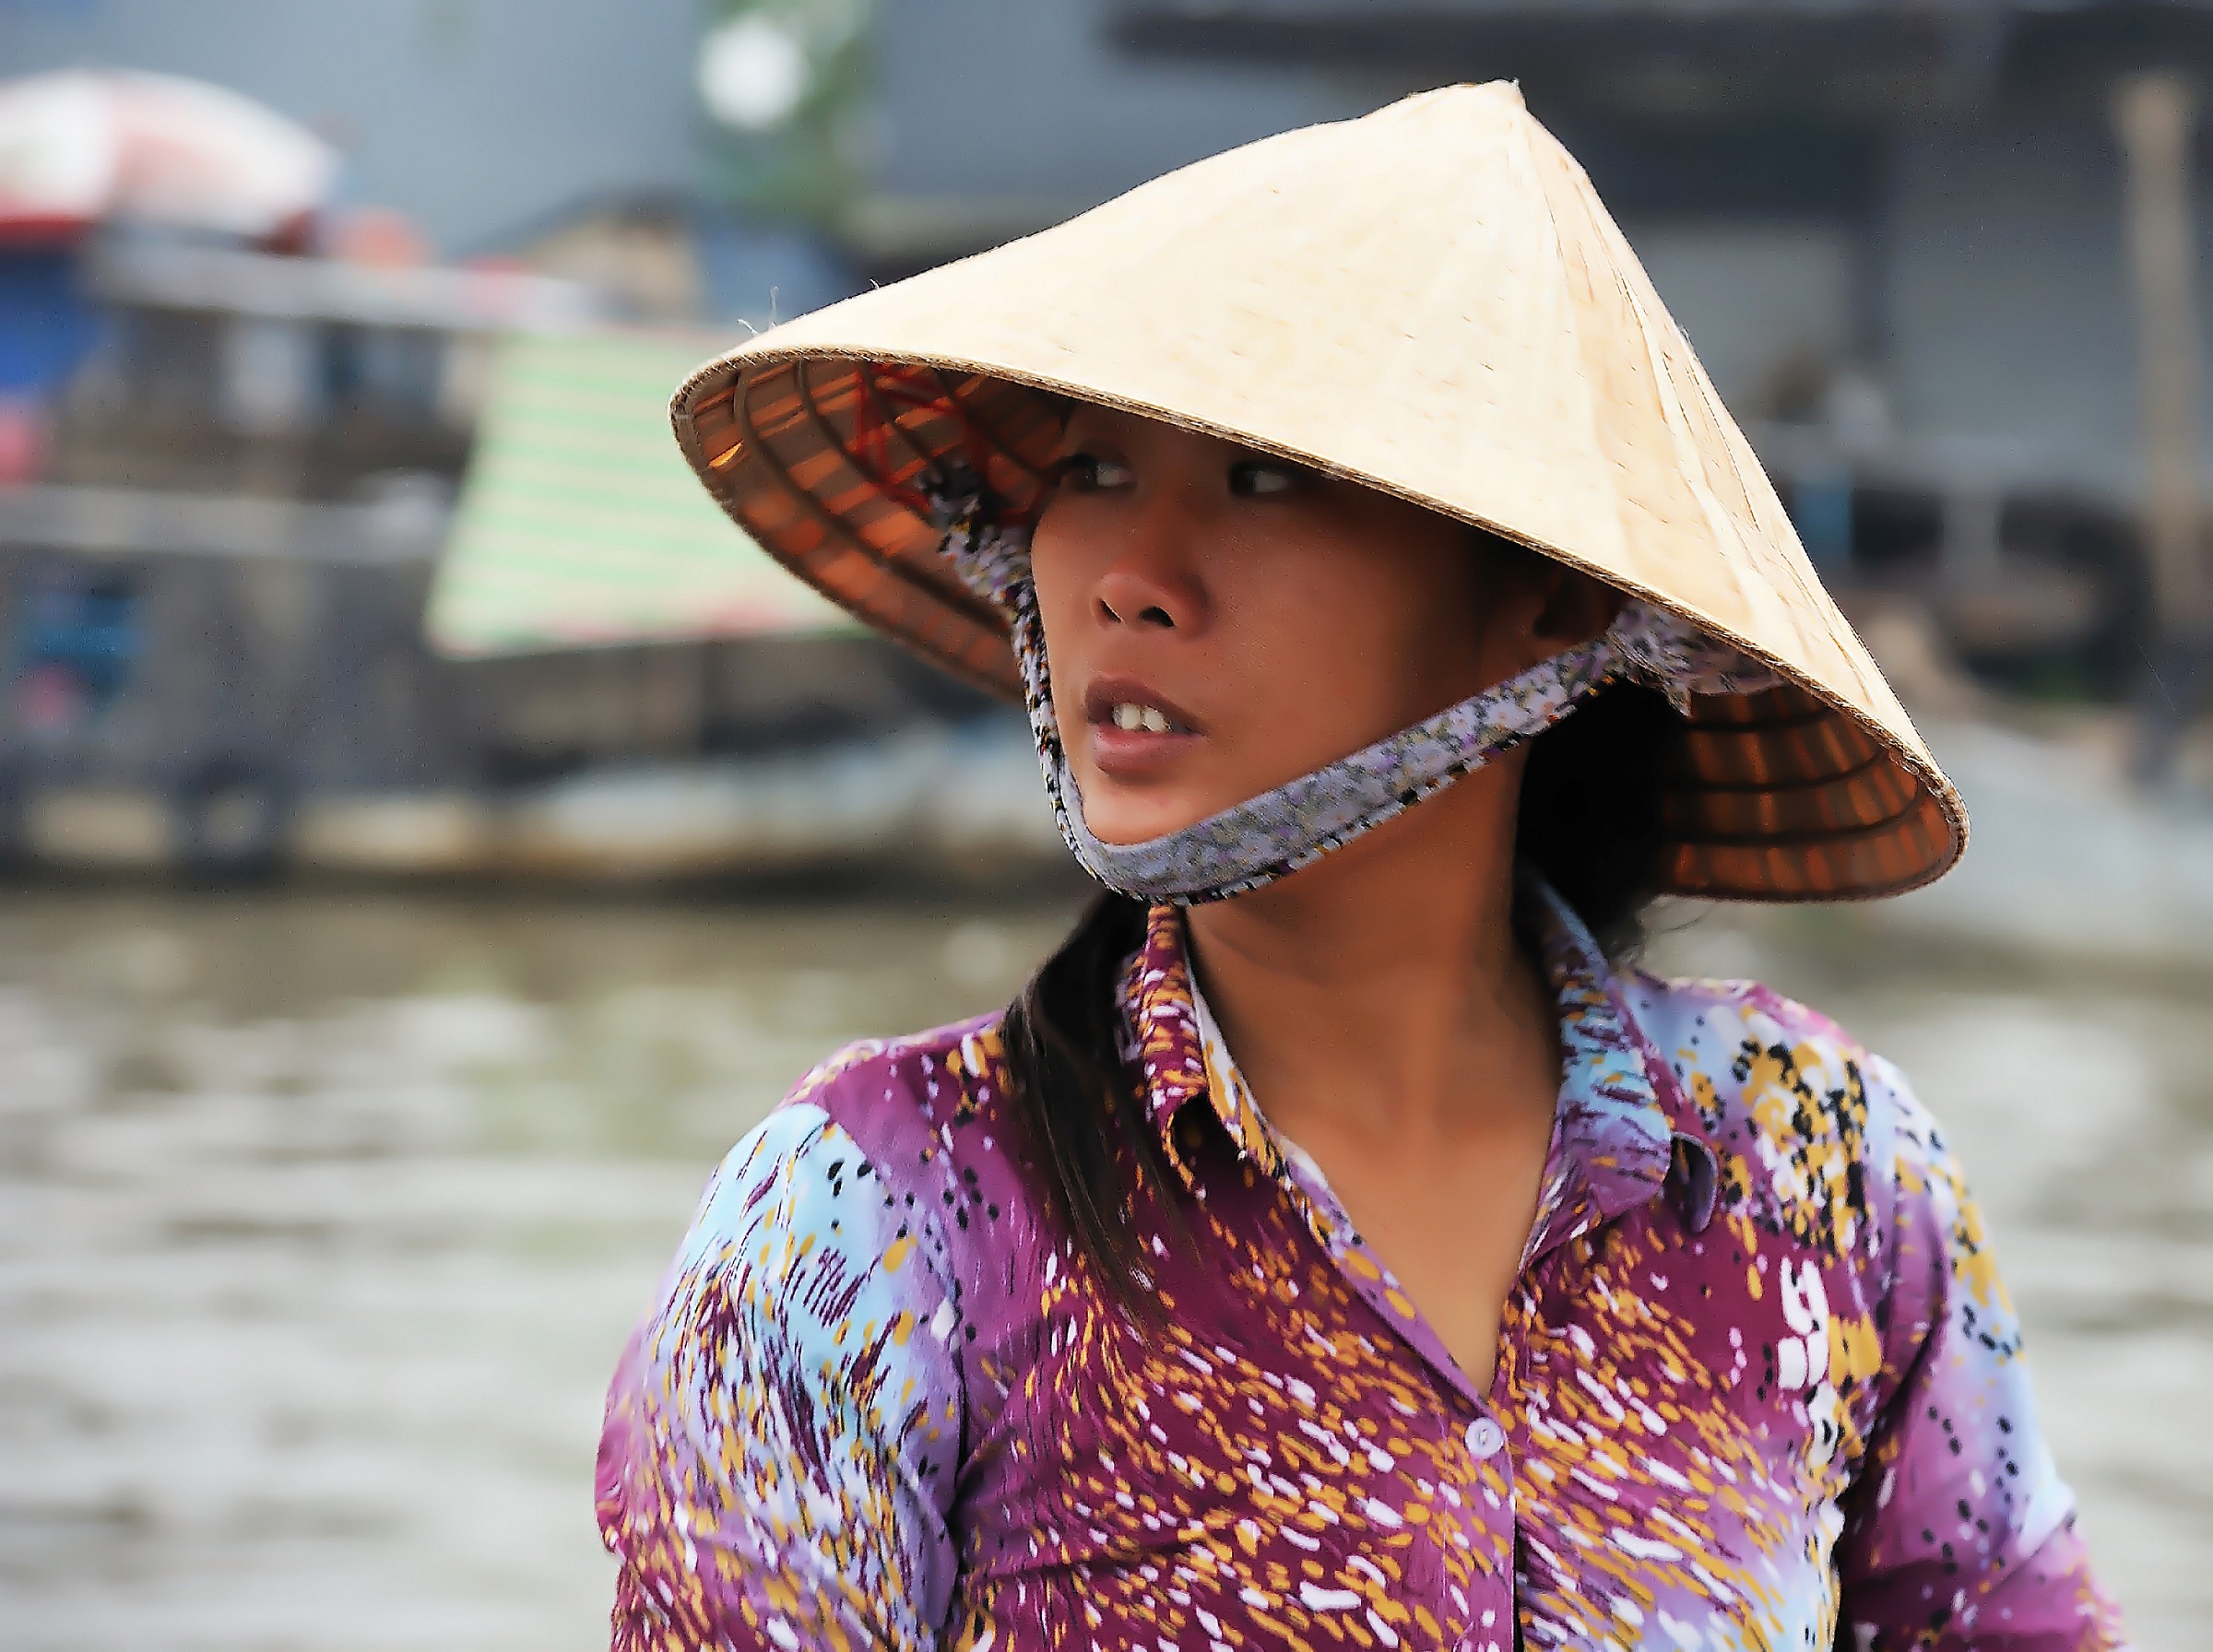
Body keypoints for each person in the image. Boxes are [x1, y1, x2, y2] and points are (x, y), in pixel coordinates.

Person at [598, 85, 2124, 1651]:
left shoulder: (1824, 1175)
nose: (1129, 578)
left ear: (1549, 606)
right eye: (1091, 471)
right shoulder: (864, 1233)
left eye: (1263, 480)